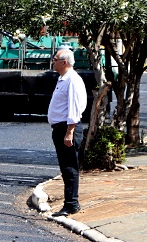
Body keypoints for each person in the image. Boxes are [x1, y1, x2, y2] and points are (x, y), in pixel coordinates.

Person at [47, 49, 87, 217]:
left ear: (64, 62)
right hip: (60, 128)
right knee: (65, 168)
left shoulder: (72, 80)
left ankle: (71, 204)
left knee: (70, 168)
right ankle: (69, 202)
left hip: (67, 128)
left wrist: (69, 132)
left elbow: (74, 108)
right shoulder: (62, 79)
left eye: (55, 59)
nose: (53, 61)